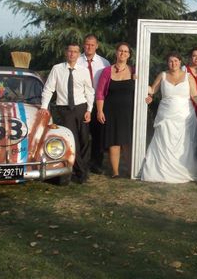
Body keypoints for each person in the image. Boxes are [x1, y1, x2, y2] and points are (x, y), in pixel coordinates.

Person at [141, 52, 197, 183]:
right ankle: (161, 171)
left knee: (185, 144)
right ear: (167, 63)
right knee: (164, 140)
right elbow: (152, 90)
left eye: (176, 61)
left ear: (180, 62)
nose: (173, 63)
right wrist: (139, 80)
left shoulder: (188, 77)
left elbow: (194, 95)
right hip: (166, 116)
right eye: (171, 61)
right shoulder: (163, 75)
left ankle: (185, 170)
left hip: (185, 117)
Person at [42, 43, 94, 184]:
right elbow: (48, 89)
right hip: (64, 109)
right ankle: (81, 174)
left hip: (81, 108)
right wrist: (44, 107)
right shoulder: (57, 69)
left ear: (78, 54)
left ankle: (81, 170)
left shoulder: (83, 70)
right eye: (70, 51)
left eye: (75, 52)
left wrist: (89, 110)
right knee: (73, 141)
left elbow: (89, 91)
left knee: (84, 141)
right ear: (66, 53)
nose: (72, 54)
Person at [95, 42, 135, 178]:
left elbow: (143, 90)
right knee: (114, 141)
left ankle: (131, 171)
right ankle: (115, 172)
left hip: (129, 113)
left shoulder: (134, 71)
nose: (123, 53)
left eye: (125, 51)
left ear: (129, 55)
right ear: (116, 53)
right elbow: (100, 92)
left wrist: (148, 97)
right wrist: (100, 111)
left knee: (128, 142)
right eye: (120, 51)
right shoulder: (107, 71)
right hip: (111, 111)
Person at [77, 34, 110, 174]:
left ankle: (96, 163)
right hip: (82, 102)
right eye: (87, 44)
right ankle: (81, 164)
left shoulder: (104, 63)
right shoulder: (77, 61)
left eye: (92, 44)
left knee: (98, 135)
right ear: (83, 45)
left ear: (97, 46)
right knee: (82, 135)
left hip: (99, 103)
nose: (89, 47)